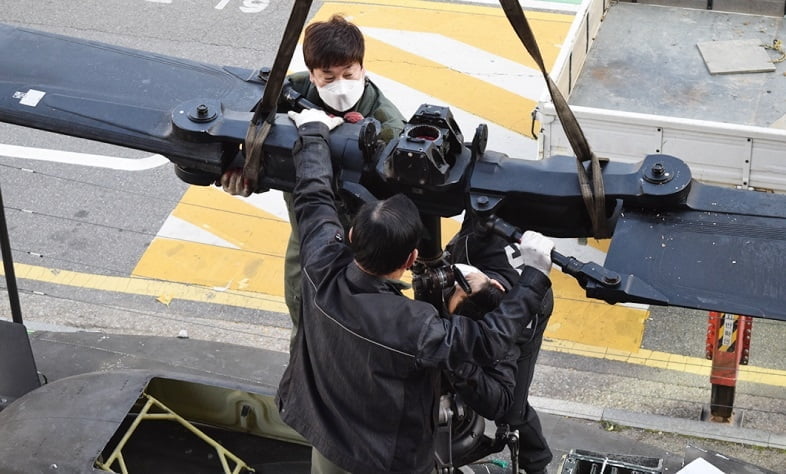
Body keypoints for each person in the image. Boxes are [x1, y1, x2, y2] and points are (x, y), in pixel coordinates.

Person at [276, 107, 555, 474]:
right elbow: (488, 341)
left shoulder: (320, 264)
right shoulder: (415, 325)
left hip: (326, 444)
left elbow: (313, 198)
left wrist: (313, 132)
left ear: (352, 235)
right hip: (386, 463)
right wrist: (534, 275)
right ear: (411, 259)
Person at [221, 14, 406, 350]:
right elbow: (253, 130)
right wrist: (244, 168)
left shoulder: (387, 125)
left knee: (357, 338)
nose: (340, 85)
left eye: (349, 74)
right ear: (312, 74)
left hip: (360, 248)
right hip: (306, 237)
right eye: (328, 77)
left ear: (362, 68)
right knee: (303, 323)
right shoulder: (289, 92)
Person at [443, 218, 555, 474]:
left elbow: (500, 401)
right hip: (511, 275)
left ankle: (537, 465)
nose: (452, 284)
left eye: (457, 288)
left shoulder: (513, 333)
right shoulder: (475, 243)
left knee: (514, 411)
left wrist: (458, 366)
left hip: (535, 304)